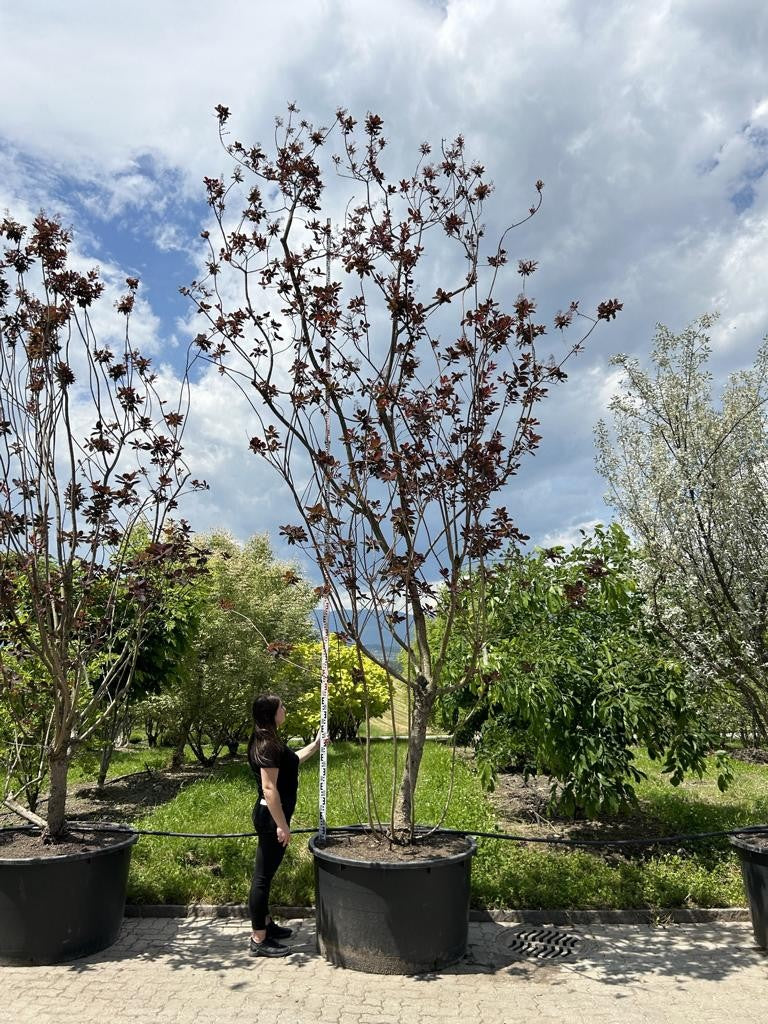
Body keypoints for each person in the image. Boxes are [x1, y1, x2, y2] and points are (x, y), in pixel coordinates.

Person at [247, 693, 321, 958]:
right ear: (271, 714)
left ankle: (267, 925)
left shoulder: (272, 741)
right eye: (282, 707)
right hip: (270, 819)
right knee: (262, 878)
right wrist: (282, 826)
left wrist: (316, 745)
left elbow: (292, 762)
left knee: (265, 875)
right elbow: (269, 789)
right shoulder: (266, 745)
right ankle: (259, 939)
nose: (285, 710)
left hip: (274, 817)